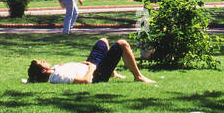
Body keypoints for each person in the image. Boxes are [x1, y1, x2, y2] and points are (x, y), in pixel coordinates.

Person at [26, 38, 156, 84]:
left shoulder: (54, 70)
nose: (43, 60)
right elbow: (85, 81)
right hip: (96, 74)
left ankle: (113, 72)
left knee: (103, 41)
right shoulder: (58, 76)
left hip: (88, 65)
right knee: (122, 44)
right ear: (44, 70)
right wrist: (91, 68)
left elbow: (33, 78)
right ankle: (138, 76)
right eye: (41, 62)